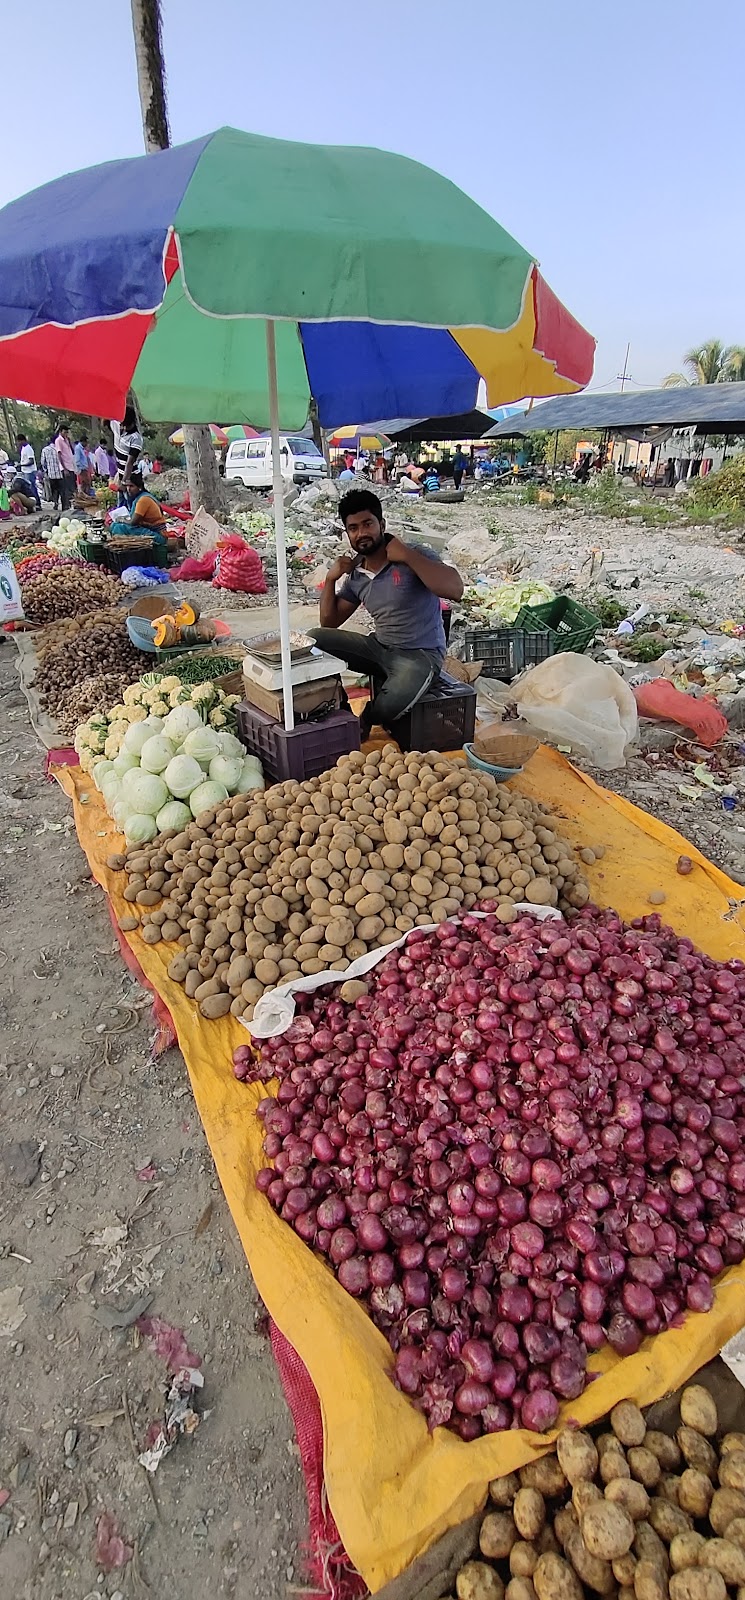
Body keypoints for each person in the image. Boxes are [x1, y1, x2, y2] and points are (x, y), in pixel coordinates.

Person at [310, 488, 463, 742]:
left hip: (421, 654)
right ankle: (344, 709)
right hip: (380, 648)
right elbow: (329, 622)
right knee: (315, 640)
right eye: (353, 528)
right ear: (347, 533)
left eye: (367, 524)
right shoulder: (357, 574)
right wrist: (330, 579)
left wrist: (407, 557)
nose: (362, 534)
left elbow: (456, 589)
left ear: (381, 524)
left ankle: (368, 715)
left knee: (389, 708)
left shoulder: (414, 554)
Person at [126, 475, 167, 541]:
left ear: (139, 487)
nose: (128, 489)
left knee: (119, 527)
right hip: (150, 531)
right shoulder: (140, 497)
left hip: (156, 535)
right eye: (127, 486)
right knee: (117, 525)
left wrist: (122, 520)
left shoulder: (143, 499)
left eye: (131, 486)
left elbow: (133, 523)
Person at [110, 405, 143, 488]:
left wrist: (124, 481)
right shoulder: (117, 427)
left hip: (131, 478)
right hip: (120, 474)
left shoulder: (136, 438)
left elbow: (130, 462)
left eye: (126, 425)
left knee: (131, 500)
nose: (123, 427)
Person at [54, 424, 77, 509]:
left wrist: (70, 440)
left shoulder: (67, 440)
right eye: (65, 432)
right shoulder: (58, 441)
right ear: (61, 432)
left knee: (71, 488)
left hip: (71, 466)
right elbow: (59, 455)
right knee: (66, 488)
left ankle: (70, 505)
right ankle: (66, 506)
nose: (66, 433)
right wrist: (64, 468)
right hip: (65, 467)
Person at [41, 436, 64, 509]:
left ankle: (55, 502)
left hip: (51, 474)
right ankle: (64, 503)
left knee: (54, 489)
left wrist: (46, 470)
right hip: (61, 473)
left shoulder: (45, 450)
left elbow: (43, 462)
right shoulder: (59, 448)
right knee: (61, 489)